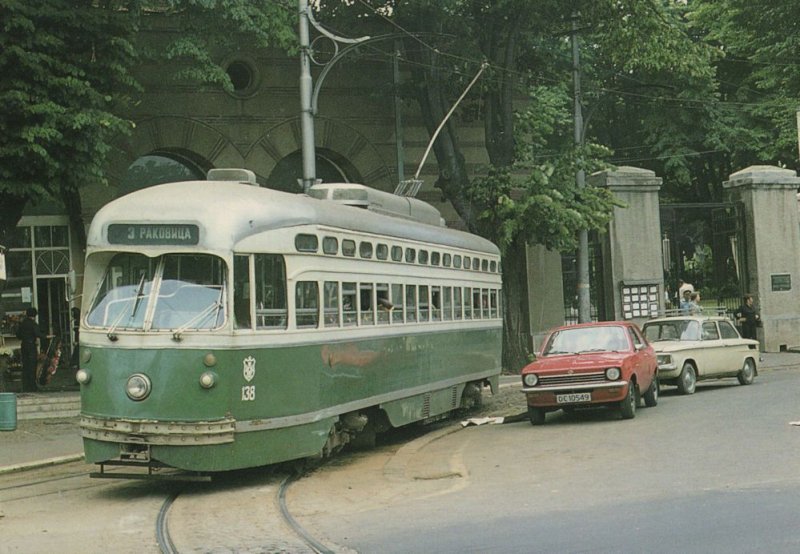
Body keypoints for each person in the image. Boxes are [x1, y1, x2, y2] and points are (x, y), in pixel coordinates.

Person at [15, 307, 45, 392]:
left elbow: (18, 335)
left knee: (25, 366)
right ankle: (32, 386)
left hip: (24, 345)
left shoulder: (23, 323)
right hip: (31, 346)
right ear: (35, 315)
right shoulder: (33, 324)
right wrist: (45, 336)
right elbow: (37, 333)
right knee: (32, 366)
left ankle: (25, 386)